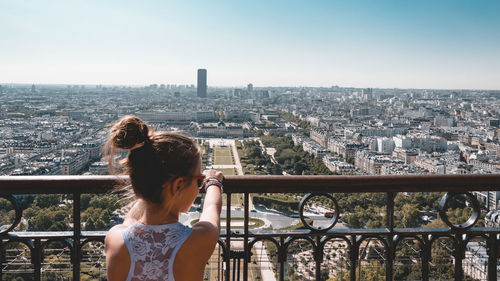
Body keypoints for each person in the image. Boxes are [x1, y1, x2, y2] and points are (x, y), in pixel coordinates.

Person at [104, 115, 223, 281]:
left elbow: (132, 218)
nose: (200, 186)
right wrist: (213, 182)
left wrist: (147, 177)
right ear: (178, 186)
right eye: (199, 180)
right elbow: (211, 208)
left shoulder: (115, 238)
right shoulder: (199, 240)